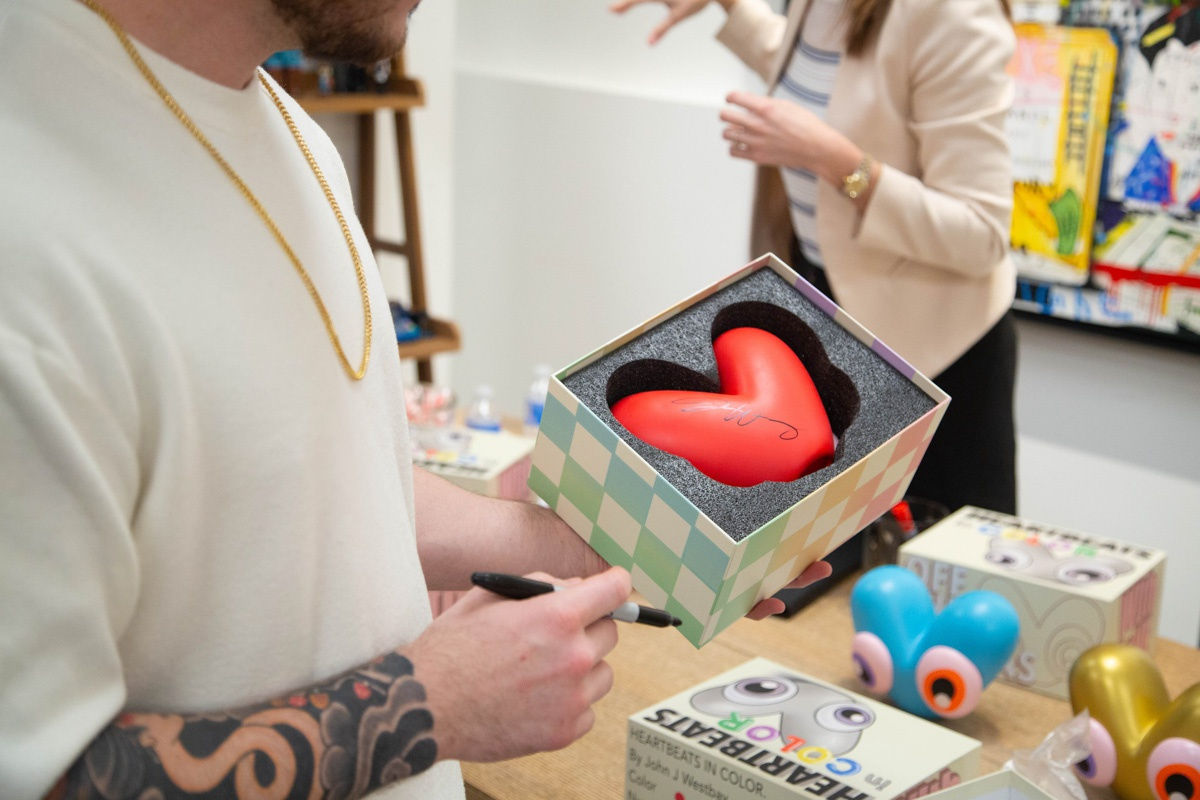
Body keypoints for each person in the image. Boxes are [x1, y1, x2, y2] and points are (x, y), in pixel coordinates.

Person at [0, 0, 829, 798]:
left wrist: (600, 542)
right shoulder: (30, 233)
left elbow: (317, 489)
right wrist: (428, 705)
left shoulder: (283, 130)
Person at [611, 0, 1020, 515]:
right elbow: (834, 81)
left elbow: (981, 234)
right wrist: (732, 6)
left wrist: (834, 160)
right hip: (836, 314)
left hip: (937, 356)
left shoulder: (955, 14)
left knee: (941, 574)